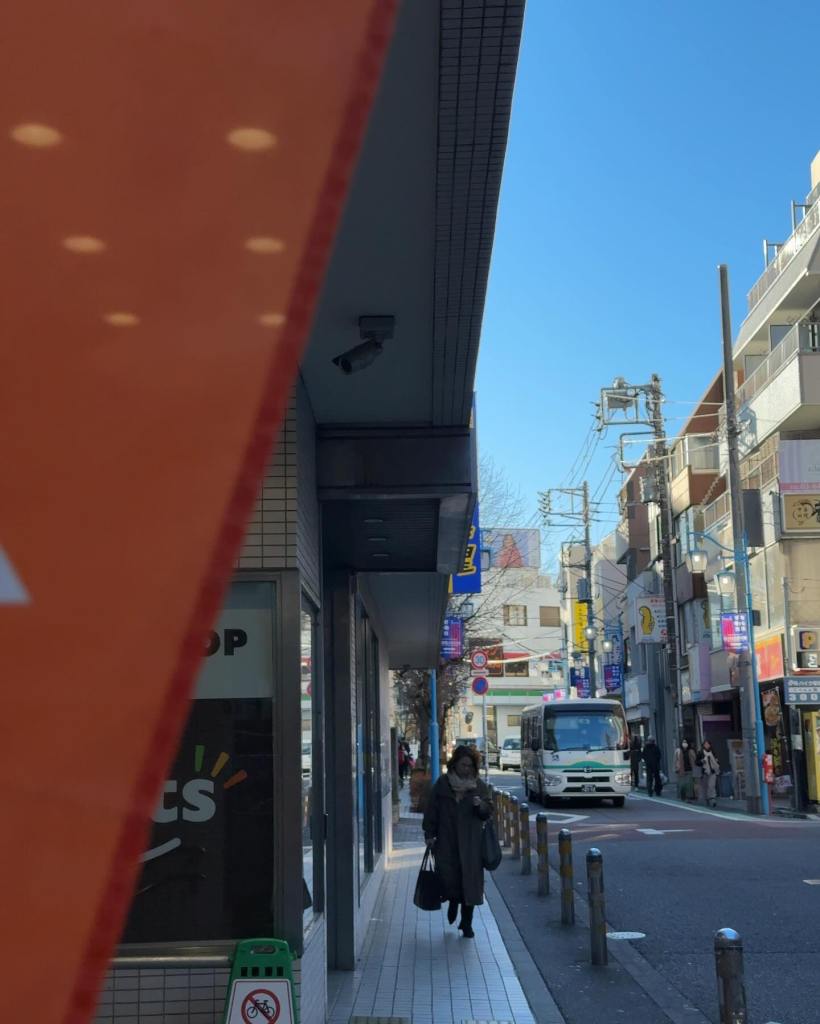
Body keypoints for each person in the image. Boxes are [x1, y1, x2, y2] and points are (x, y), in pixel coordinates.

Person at [422, 744, 492, 938]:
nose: (466, 769)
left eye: (470, 766)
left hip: (471, 844)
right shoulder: (443, 784)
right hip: (447, 842)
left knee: (470, 884)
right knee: (450, 879)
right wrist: (429, 833)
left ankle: (467, 923)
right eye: (463, 765)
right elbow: (431, 810)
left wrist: (481, 806)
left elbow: (488, 812)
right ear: (454, 764)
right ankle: (453, 902)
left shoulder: (479, 786)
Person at [696, 740, 720, 807]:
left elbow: (717, 760)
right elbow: (696, 762)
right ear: (703, 745)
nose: (707, 745)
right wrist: (702, 761)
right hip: (705, 772)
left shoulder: (713, 752)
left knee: (711, 785)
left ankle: (712, 798)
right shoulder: (701, 752)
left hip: (713, 771)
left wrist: (717, 762)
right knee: (705, 786)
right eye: (705, 744)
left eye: (708, 744)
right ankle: (706, 799)